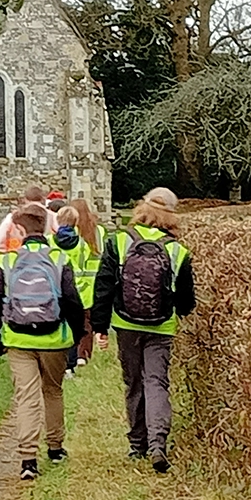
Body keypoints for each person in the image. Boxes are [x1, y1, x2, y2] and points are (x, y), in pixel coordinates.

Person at [92, 187, 196, 474]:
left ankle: (137, 443)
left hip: (126, 324)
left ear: (141, 210)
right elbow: (186, 299)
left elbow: (103, 287)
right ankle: (158, 444)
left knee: (133, 383)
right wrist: (182, 312)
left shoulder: (119, 243)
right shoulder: (178, 251)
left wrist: (99, 326)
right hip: (161, 326)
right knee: (156, 382)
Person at [0, 203, 85, 480]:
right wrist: (75, 335)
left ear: (19, 229)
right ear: (48, 227)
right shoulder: (60, 258)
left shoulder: (8, 261)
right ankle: (55, 447)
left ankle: (28, 458)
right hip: (54, 339)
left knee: (26, 397)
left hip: (18, 338)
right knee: (52, 391)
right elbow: (72, 300)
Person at [50, 200, 109, 376]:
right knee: (86, 323)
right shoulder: (97, 232)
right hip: (90, 283)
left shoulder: (56, 239)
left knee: (66, 323)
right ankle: (82, 355)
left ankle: (65, 357)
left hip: (64, 287)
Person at [0, 185, 59, 253]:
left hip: (18, 257)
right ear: (43, 199)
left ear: (25, 199)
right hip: (45, 257)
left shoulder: (12, 217)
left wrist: (9, 252)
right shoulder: (53, 217)